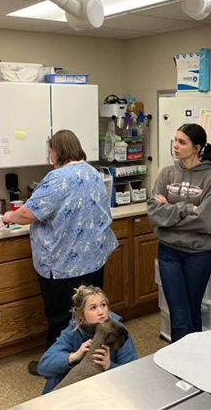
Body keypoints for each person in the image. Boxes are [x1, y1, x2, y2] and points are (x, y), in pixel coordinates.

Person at [2, 130, 118, 375]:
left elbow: (28, 214)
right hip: (93, 259)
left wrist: (9, 216)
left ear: (56, 151)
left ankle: (56, 366)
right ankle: (94, 359)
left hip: (64, 265)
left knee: (60, 319)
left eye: (50, 150)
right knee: (93, 314)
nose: (50, 154)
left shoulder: (57, 178)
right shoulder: (93, 172)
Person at [147, 123, 211, 343]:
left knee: (192, 310)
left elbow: (204, 221)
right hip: (168, 253)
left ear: (196, 147)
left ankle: (192, 364)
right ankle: (179, 364)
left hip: (199, 254)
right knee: (178, 312)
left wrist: (169, 216)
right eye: (175, 140)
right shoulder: (167, 173)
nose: (176, 146)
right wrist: (187, 208)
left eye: (182, 142)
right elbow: (154, 212)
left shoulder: (209, 176)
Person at [37, 285, 137, 393]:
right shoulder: (73, 331)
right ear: (82, 314)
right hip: (78, 385)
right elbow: (43, 366)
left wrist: (109, 365)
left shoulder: (118, 331)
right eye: (93, 308)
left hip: (108, 386)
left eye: (103, 305)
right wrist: (74, 356)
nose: (101, 312)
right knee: (56, 373)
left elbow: (132, 373)